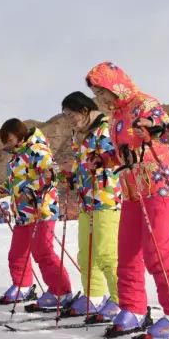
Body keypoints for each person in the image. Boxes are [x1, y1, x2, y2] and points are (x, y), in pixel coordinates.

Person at [85, 63, 169, 339]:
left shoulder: (146, 103)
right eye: (97, 95)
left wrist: (151, 132)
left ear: (116, 85)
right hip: (132, 191)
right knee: (127, 253)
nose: (102, 100)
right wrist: (104, 159)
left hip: (157, 186)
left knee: (157, 252)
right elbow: (124, 154)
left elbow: (162, 134)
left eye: (103, 92)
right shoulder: (115, 117)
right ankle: (133, 309)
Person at [0, 119, 73, 309]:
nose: (8, 144)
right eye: (6, 141)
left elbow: (52, 174)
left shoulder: (37, 150)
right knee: (17, 253)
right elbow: (15, 184)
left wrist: (33, 192)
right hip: (22, 214)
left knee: (42, 252)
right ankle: (22, 286)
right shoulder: (16, 157)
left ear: (20, 135)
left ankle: (61, 292)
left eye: (10, 139)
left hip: (42, 210)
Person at [59, 92, 122, 321]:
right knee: (86, 253)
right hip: (87, 200)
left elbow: (115, 157)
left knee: (106, 252)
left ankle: (120, 299)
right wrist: (72, 177)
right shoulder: (81, 136)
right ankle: (94, 295)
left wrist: (95, 162)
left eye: (70, 114)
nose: (69, 119)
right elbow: (82, 166)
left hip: (106, 198)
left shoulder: (105, 128)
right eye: (65, 116)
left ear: (84, 110)